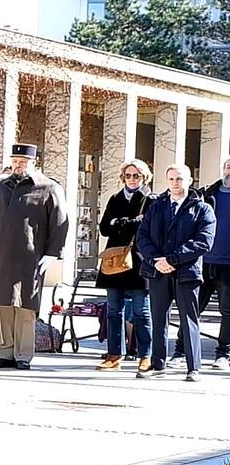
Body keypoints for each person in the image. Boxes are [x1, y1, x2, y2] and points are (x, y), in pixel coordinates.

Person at [0, 143, 68, 370]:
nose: (18, 165)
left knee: (25, 305)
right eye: (15, 161)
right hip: (1, 254)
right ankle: (5, 352)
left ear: (34, 162)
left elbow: (60, 224)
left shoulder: (48, 187)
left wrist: (52, 254)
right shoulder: (0, 186)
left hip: (30, 256)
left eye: (23, 162)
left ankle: (23, 354)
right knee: (5, 304)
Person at [137, 164, 215, 382]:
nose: (175, 183)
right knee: (158, 319)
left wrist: (173, 259)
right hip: (157, 271)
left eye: (180, 179)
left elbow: (204, 241)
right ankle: (158, 364)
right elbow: (142, 236)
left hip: (186, 272)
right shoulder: (156, 206)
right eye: (171, 179)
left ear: (190, 181)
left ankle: (193, 368)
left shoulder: (202, 208)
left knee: (188, 319)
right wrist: (155, 260)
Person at [95, 159, 154, 372]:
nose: (131, 179)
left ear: (144, 177)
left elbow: (145, 226)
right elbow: (104, 228)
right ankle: (113, 355)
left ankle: (145, 355)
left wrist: (119, 223)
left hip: (138, 260)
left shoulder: (150, 200)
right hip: (114, 260)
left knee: (141, 311)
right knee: (113, 310)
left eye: (135, 175)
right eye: (128, 175)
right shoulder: (115, 198)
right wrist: (130, 221)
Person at [172, 157, 230, 370]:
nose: (229, 169)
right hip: (202, 261)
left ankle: (223, 353)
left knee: (228, 311)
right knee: (192, 308)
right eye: (227, 165)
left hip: (228, 264)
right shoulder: (207, 193)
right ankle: (180, 350)